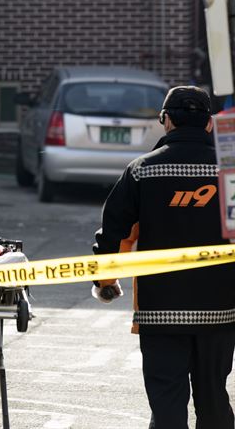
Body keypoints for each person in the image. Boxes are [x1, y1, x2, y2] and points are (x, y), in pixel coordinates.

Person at [92, 85, 235, 428]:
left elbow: (116, 233)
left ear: (165, 121)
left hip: (160, 311)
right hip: (221, 311)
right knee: (214, 398)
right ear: (209, 124)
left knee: (167, 400)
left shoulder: (142, 171)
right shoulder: (229, 173)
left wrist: (106, 282)